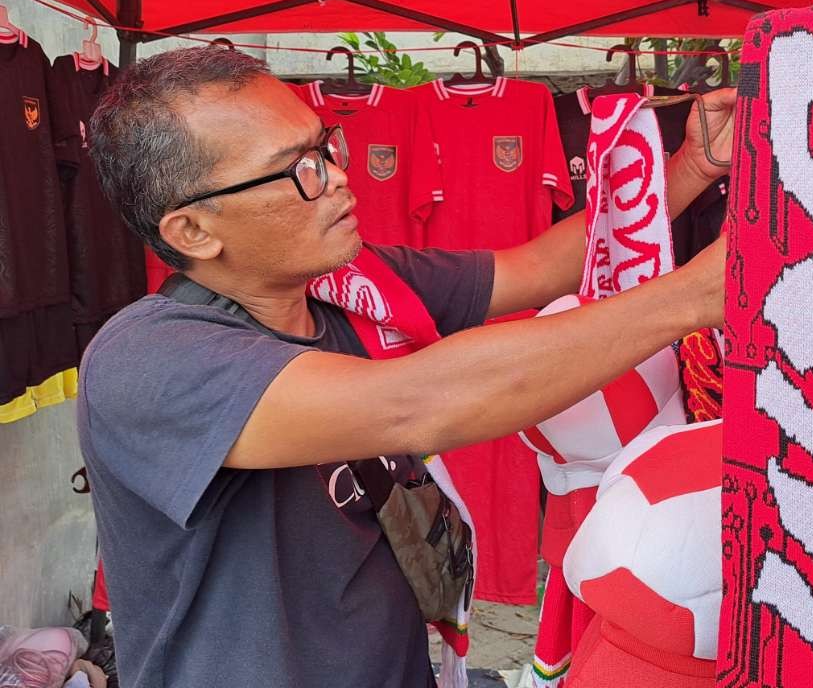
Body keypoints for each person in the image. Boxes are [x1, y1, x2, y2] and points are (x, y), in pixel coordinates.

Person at [78, 47, 733, 688]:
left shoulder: (354, 287)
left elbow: (532, 269)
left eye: (325, 146)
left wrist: (689, 168)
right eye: (297, 170)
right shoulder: (150, 361)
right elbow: (419, 404)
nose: (336, 175)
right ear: (193, 231)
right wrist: (696, 295)